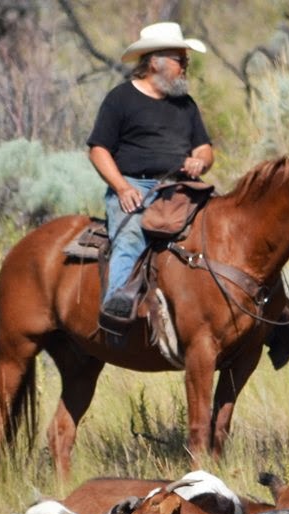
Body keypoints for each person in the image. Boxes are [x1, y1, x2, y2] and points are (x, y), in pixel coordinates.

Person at [87, 22, 214, 323]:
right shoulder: (120, 99)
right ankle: (116, 303)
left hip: (182, 187)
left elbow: (205, 148)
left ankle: (276, 319)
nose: (185, 66)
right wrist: (122, 188)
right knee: (131, 236)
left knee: (225, 228)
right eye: (180, 60)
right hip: (135, 185)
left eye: (186, 61)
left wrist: (200, 161)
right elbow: (98, 150)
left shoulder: (186, 104)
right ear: (155, 62)